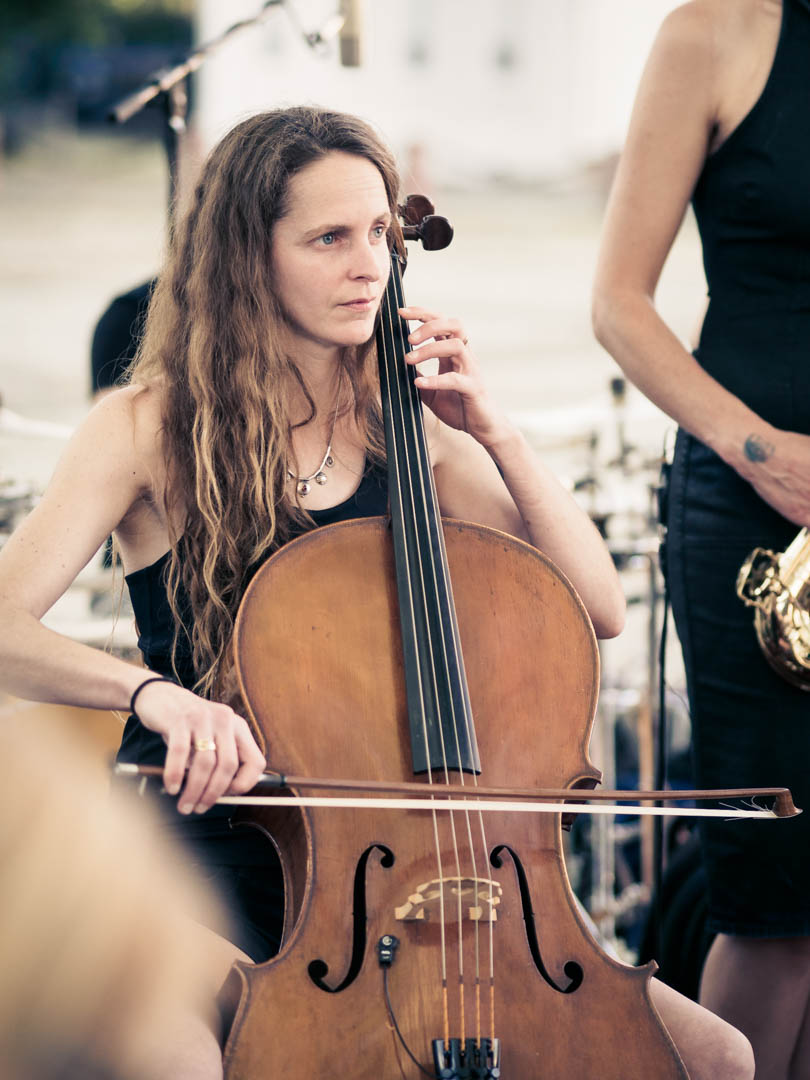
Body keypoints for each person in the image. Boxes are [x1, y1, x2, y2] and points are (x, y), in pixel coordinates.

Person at [0, 106, 751, 1078]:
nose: (370, 266)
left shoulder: (413, 430)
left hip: (399, 864)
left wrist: (497, 433)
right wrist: (152, 694)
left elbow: (596, 607)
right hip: (198, 850)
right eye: (328, 239)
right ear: (245, 256)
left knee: (715, 1059)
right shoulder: (145, 429)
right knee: (193, 1061)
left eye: (380, 235)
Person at [592, 2, 810, 1077]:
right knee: (776, 899)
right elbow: (619, 304)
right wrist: (763, 451)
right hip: (756, 514)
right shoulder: (716, 32)